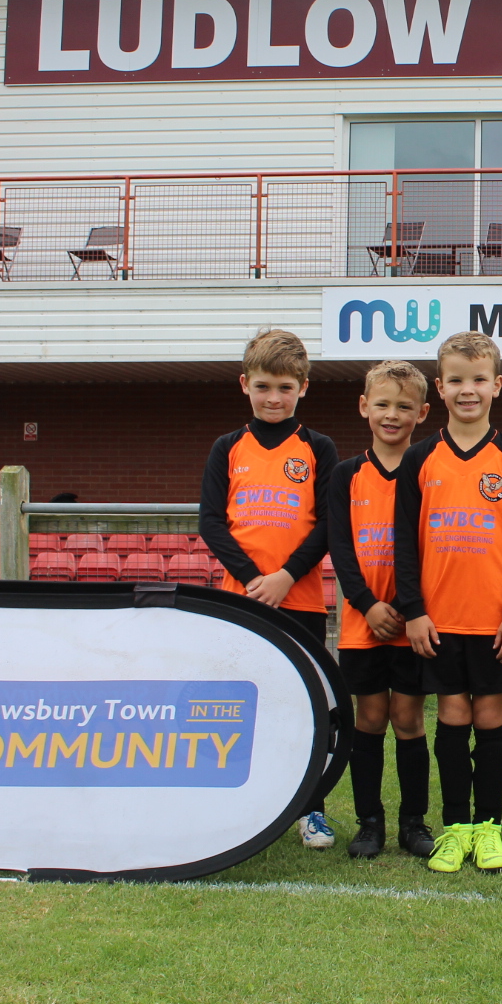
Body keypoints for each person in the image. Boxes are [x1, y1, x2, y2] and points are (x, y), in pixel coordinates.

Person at [394, 331, 502, 874]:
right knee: (453, 716)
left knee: (490, 715)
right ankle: (456, 827)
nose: (468, 389)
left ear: (497, 385)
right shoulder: (419, 458)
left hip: (494, 622)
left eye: (479, 379)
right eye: (456, 379)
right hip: (439, 621)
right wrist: (414, 611)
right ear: (440, 387)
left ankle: (489, 827)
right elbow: (404, 543)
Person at [199, 328, 340, 849]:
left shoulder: (318, 448)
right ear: (245, 385)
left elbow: (328, 523)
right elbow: (211, 522)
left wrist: (285, 577)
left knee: (303, 705)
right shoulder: (227, 448)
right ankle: (243, 805)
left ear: (303, 388)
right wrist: (253, 578)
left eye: (285, 387)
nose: (273, 398)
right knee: (239, 703)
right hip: (239, 599)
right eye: (263, 386)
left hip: (300, 599)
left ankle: (311, 809)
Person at [326, 359, 437, 860]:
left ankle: (414, 822)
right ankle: (369, 823)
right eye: (383, 404)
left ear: (422, 413)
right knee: (369, 717)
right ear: (364, 406)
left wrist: (412, 609)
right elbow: (341, 548)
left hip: (414, 623)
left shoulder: (428, 472)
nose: (392, 415)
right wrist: (367, 604)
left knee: (408, 718)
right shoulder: (346, 475)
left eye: (404, 407)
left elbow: (434, 549)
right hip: (363, 623)